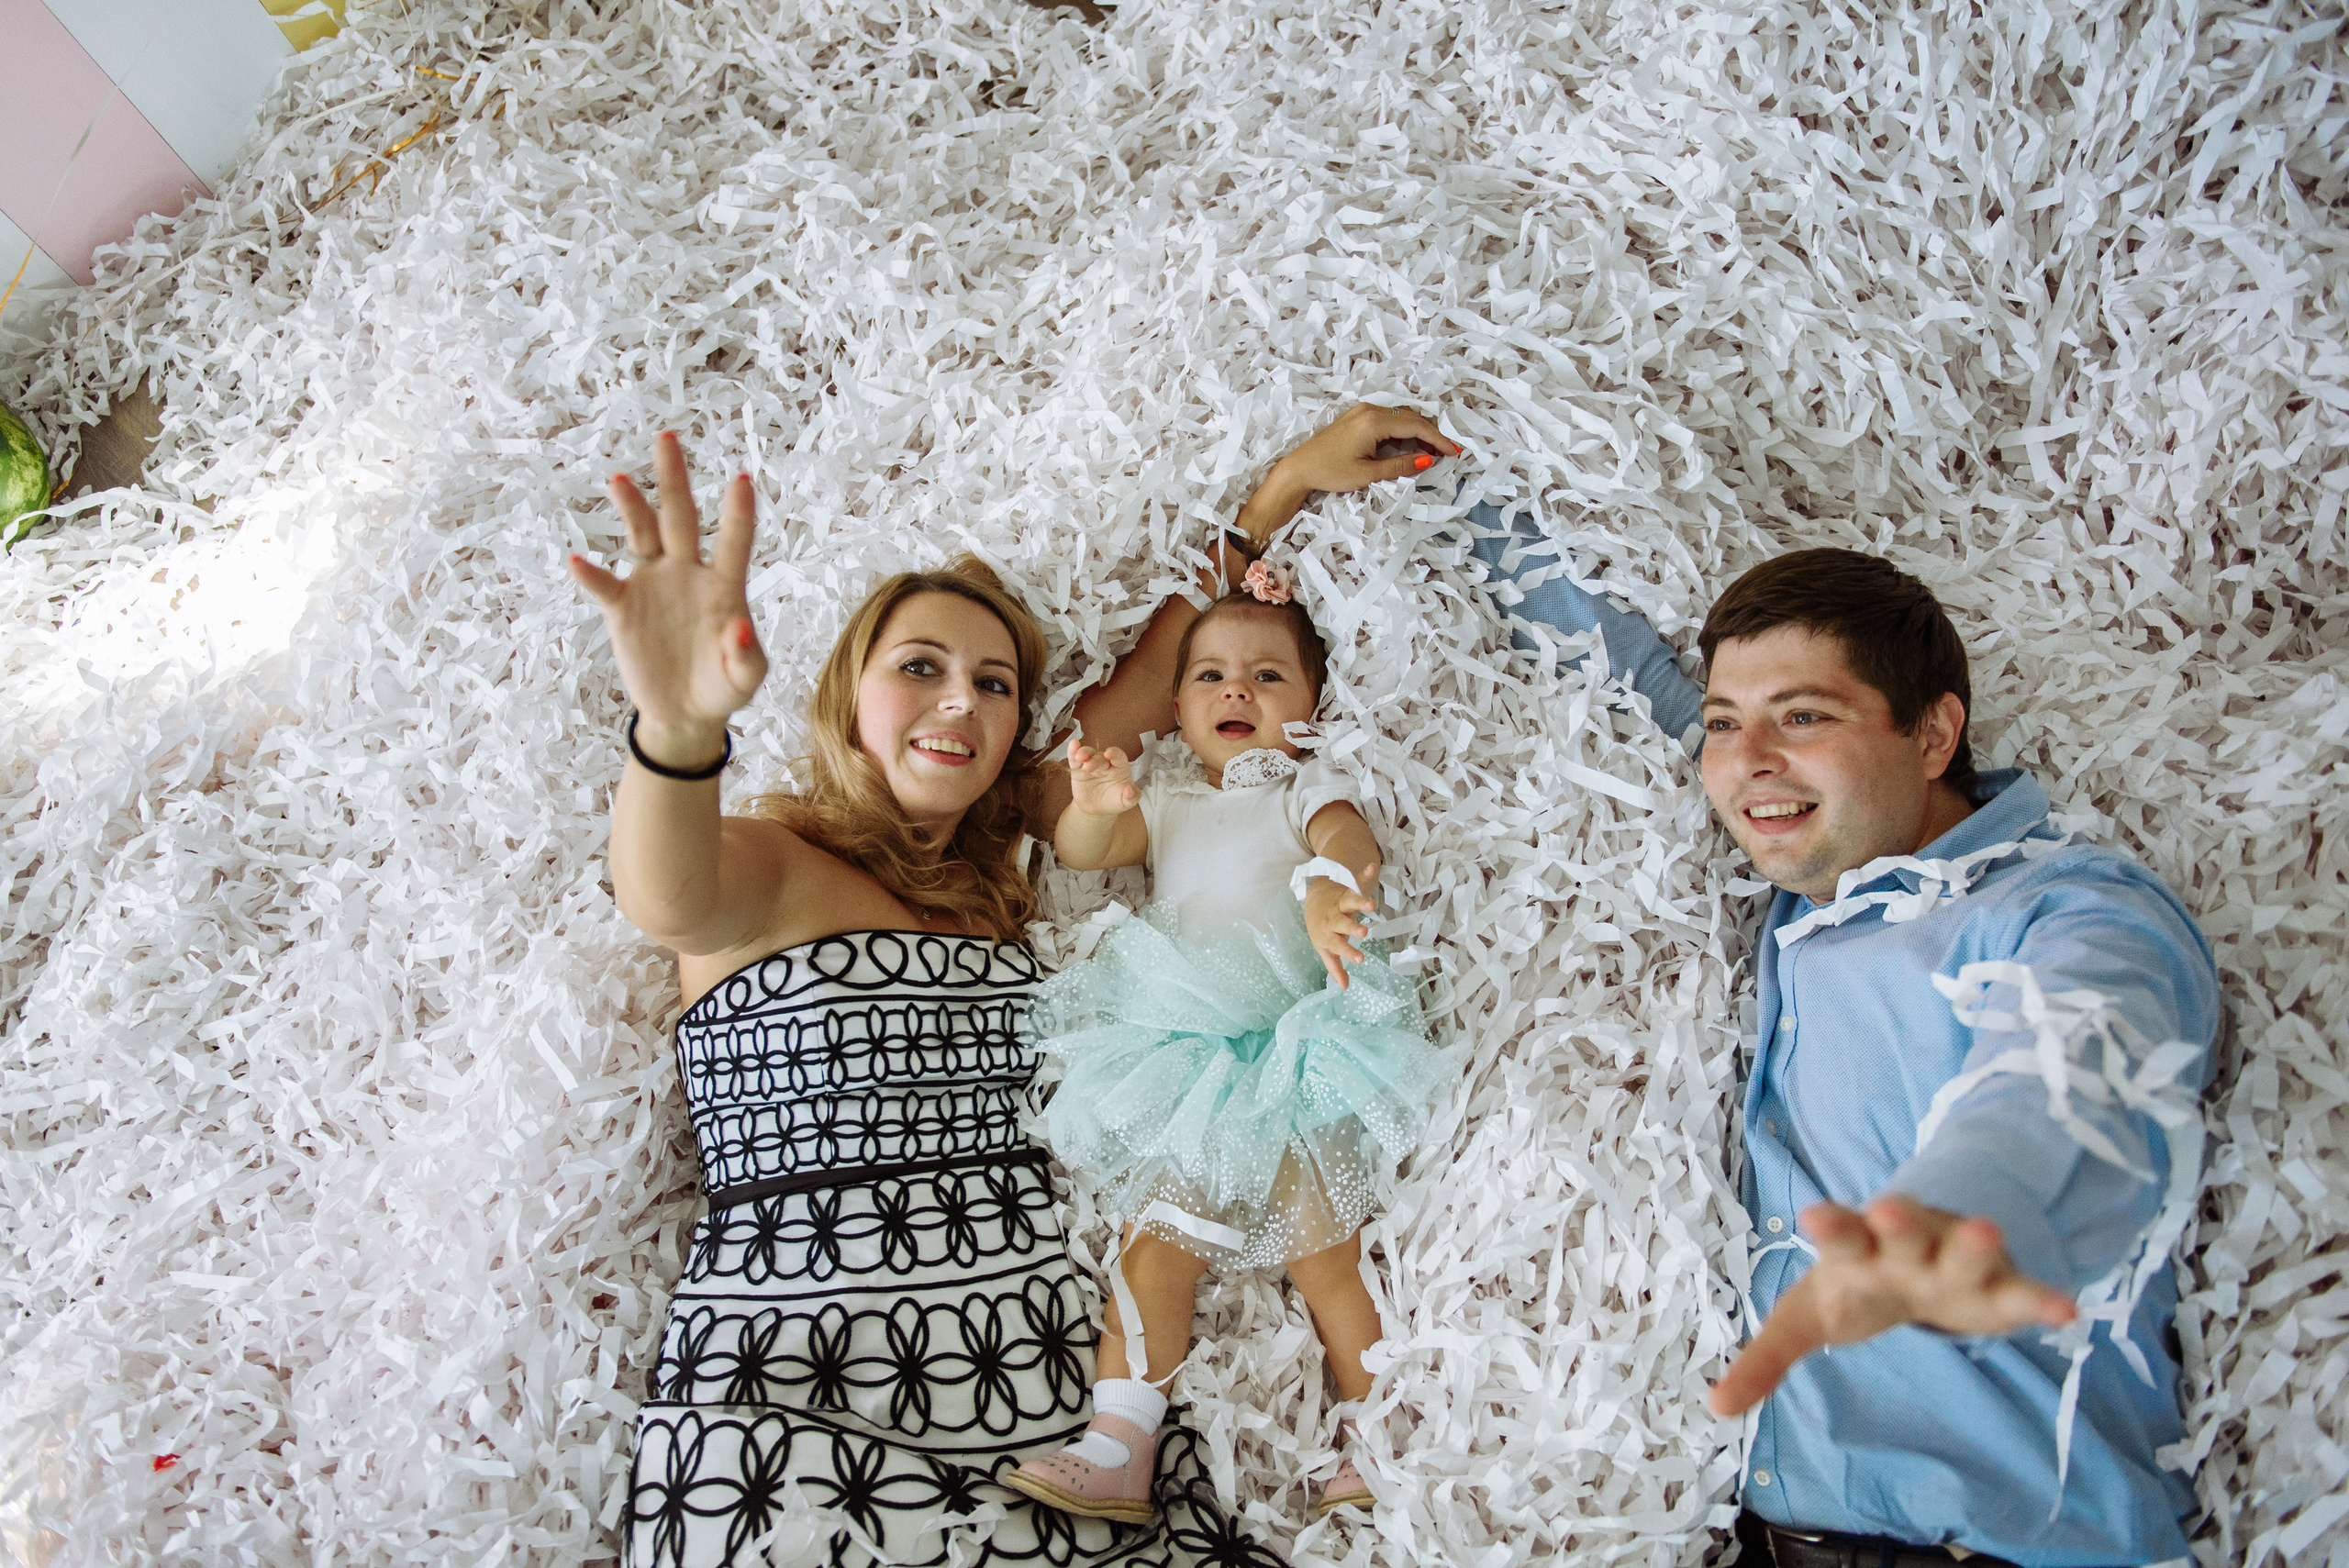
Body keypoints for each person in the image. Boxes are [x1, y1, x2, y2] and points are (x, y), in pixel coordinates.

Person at [1427, 432, 2220, 1567]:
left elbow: (2078, 1065)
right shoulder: (1809, 884)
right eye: (1723, 723)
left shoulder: (2072, 909)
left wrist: (1954, 1211)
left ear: (1933, 731)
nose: (1748, 759)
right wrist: (1448, 488)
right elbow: (1626, 671)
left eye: (1802, 716)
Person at [566, 434, 1294, 1568]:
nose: (958, 698)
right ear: (846, 700)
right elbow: (664, 894)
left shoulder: (1002, 874)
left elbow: (1157, 683)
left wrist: (1282, 494)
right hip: (791, 1403)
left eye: (994, 684)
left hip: (1042, 1412)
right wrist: (676, 731)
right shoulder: (773, 862)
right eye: (918, 666)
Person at [1002, 561, 1450, 1525]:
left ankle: (1371, 1432)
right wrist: (1094, 793)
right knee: (1154, 1242)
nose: (1236, 690)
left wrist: (1330, 883)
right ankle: (1119, 1439)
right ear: (1174, 707)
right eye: (1209, 676)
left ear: (1312, 705)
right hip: (1188, 1054)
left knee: (1325, 1252)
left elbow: (1347, 839)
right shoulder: (1167, 802)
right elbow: (1085, 850)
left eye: (1267, 676)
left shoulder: (1303, 787)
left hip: (1297, 1043)